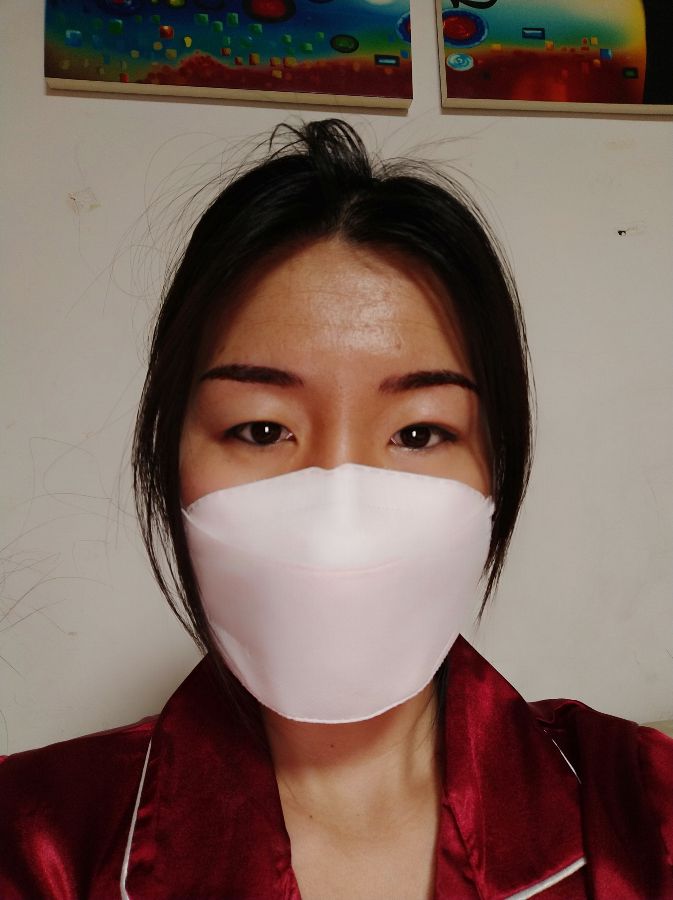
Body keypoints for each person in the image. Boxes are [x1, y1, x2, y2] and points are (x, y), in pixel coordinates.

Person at [0, 119, 671, 899]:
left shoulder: (644, 814)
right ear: (169, 463)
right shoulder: (32, 839)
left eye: (417, 433)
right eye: (262, 430)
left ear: (495, 471)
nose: (337, 515)